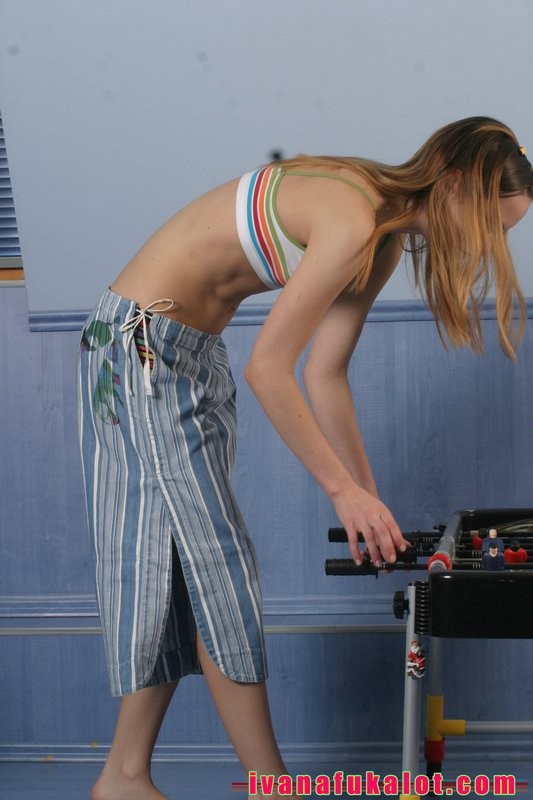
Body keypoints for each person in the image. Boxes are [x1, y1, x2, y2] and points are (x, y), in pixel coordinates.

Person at [78, 116, 532, 800]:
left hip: (189, 360)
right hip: (140, 352)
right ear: (456, 184)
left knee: (177, 567)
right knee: (215, 568)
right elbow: (270, 368)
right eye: (488, 228)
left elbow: (325, 374)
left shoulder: (376, 238)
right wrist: (340, 492)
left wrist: (365, 498)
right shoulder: (350, 214)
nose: (484, 245)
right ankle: (272, 790)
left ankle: (124, 775)